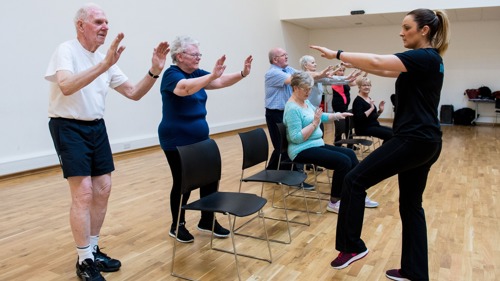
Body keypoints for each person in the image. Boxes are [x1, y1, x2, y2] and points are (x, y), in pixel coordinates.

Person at [311, 8, 450, 281]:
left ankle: (351, 247)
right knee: (411, 205)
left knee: (353, 179)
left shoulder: (423, 56)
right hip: (427, 141)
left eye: (406, 27)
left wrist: (337, 53)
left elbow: (377, 59)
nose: (401, 32)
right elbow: (383, 68)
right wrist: (356, 66)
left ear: (424, 30)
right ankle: (414, 271)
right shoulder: (430, 61)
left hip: (413, 139)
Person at [45, 3, 169, 281]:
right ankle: (83, 260)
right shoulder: (67, 50)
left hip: (96, 127)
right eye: (99, 22)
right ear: (81, 25)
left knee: (103, 188)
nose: (105, 27)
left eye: (106, 22)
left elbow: (134, 92)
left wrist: (153, 71)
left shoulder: (105, 59)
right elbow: (66, 86)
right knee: (84, 192)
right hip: (68, 126)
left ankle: (92, 248)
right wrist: (103, 65)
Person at [158, 35, 252, 244]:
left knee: (210, 178)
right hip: (176, 140)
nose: (199, 58)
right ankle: (177, 225)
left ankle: (207, 220)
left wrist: (242, 73)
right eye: (195, 54)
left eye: (200, 54)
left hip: (200, 138)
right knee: (184, 183)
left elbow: (218, 80)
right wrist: (210, 77)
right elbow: (185, 89)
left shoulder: (197, 73)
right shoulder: (171, 74)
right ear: (180, 56)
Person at [283, 72, 379, 213]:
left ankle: (358, 193)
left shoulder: (305, 102)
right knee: (343, 161)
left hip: (316, 144)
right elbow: (296, 138)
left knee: (350, 154)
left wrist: (337, 115)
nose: (309, 92)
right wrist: (315, 124)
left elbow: (320, 116)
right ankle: (335, 201)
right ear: (296, 88)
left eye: (310, 89)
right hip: (301, 150)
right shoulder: (292, 108)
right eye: (306, 89)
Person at [265, 48, 333, 177]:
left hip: (288, 111)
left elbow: (303, 75)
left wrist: (321, 74)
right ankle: (291, 176)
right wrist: (319, 75)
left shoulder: (289, 69)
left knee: (283, 145)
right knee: (282, 145)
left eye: (286, 54)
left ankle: (271, 171)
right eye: (283, 55)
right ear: (275, 59)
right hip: (275, 113)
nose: (286, 56)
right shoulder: (273, 73)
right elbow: (297, 79)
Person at [351, 77, 393, 142]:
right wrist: (371, 108)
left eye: (368, 85)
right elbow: (359, 118)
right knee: (390, 135)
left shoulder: (368, 98)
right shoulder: (358, 101)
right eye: (364, 85)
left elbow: (372, 117)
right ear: (359, 87)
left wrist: (380, 111)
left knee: (394, 132)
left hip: (373, 125)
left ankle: (386, 151)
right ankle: (384, 151)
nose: (367, 87)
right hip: (363, 128)